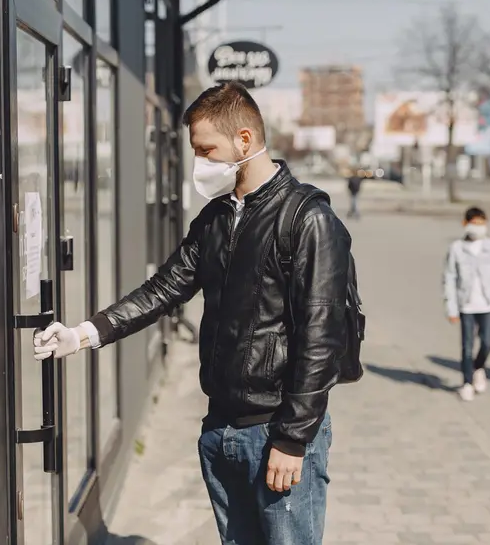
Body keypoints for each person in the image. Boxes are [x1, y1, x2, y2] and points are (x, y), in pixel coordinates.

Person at [32, 81, 351, 545]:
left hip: (276, 432)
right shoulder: (217, 218)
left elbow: (323, 338)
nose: (200, 162)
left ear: (244, 140)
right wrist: (83, 334)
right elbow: (164, 289)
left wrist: (293, 439)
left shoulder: (308, 220)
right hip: (221, 429)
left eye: (207, 150)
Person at [443, 207, 490, 402]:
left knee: (488, 342)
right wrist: (451, 308)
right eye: (474, 223)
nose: (478, 227)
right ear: (465, 224)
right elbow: (449, 278)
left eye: (482, 223)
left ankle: (478, 367)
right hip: (466, 305)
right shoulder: (456, 248)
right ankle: (466, 382)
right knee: (467, 345)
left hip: (488, 303)